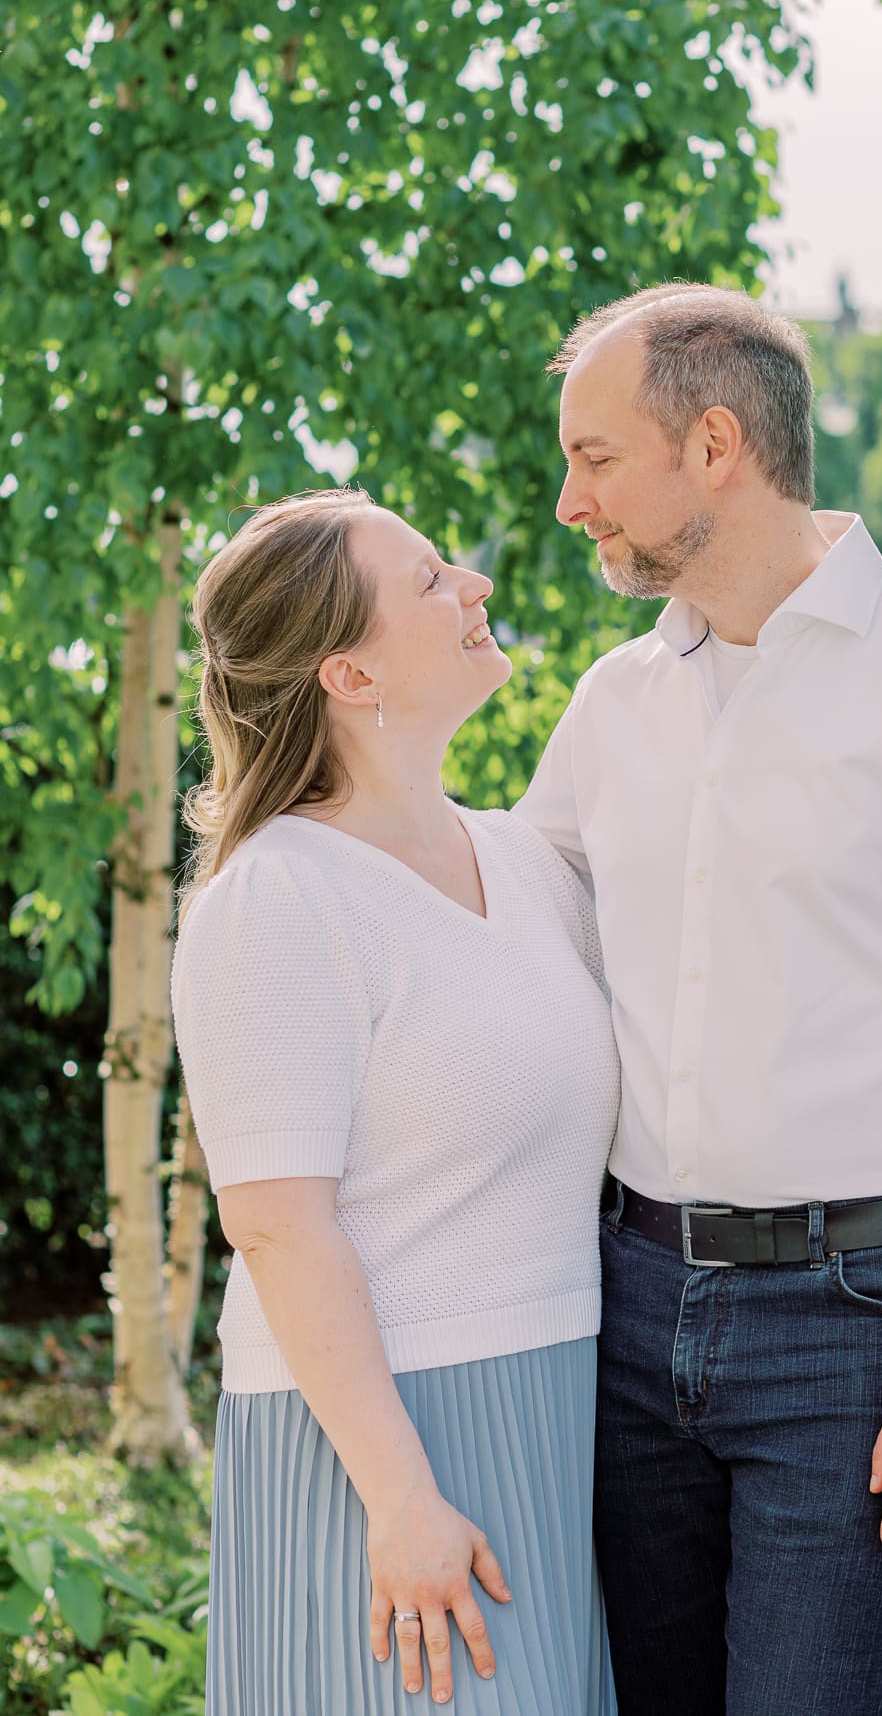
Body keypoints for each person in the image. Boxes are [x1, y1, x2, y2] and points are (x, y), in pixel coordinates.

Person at [514, 282, 882, 1716]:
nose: (565, 502)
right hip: (629, 1310)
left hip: (861, 1326)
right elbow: (506, 928)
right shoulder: (613, 704)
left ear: (713, 443)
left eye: (594, 458)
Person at [170, 487, 620, 1715]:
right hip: (380, 1444)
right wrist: (401, 1496)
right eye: (428, 579)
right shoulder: (277, 900)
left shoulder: (528, 865)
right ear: (350, 676)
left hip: (556, 1403)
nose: (472, 585)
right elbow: (275, 1226)